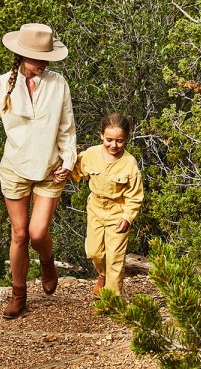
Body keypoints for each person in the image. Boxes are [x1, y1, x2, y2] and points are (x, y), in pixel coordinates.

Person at [0, 23, 77, 319]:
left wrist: (67, 162)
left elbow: (66, 129)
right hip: (14, 169)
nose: (42, 63)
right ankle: (19, 294)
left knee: (38, 234)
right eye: (37, 57)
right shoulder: (0, 86)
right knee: (20, 233)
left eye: (46, 58)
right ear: (21, 56)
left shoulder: (58, 83)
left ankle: (47, 260)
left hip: (50, 169)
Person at [70, 112, 144, 298]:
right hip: (95, 209)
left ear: (126, 139)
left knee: (115, 258)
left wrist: (128, 217)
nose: (114, 145)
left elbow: (134, 195)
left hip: (118, 213)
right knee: (94, 252)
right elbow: (75, 170)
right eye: (109, 139)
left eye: (119, 141)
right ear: (101, 135)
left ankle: (113, 299)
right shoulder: (90, 155)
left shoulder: (129, 164)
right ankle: (102, 275)